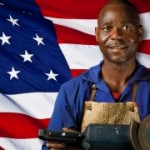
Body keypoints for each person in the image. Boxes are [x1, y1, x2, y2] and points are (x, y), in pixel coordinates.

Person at [42, 0, 150, 149]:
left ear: (139, 33)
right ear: (97, 34)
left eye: (126, 27)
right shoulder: (72, 91)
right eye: (107, 28)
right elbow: (52, 145)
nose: (116, 35)